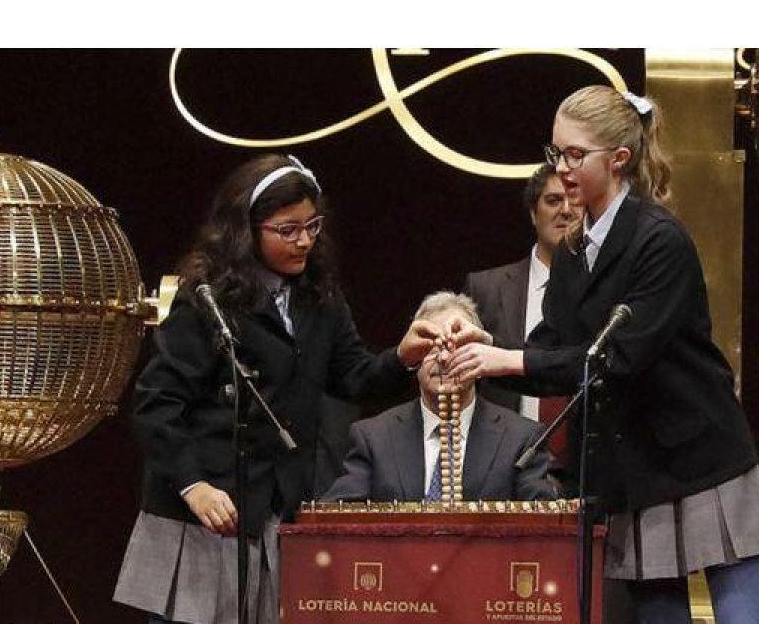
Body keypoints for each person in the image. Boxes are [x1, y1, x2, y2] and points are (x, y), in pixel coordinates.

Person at [444, 86, 759, 624]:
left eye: (576, 155)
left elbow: (618, 358)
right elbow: (551, 349)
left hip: (702, 457)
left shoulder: (659, 240)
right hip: (634, 467)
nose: (563, 168)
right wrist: (492, 350)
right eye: (556, 153)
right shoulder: (574, 248)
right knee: (658, 613)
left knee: (738, 612)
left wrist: (510, 361)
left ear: (619, 159)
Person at [113, 154, 438, 624]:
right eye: (287, 229)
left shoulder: (319, 297)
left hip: (275, 511)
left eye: (313, 226)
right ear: (247, 230)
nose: (305, 240)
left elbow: (354, 378)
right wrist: (194, 485)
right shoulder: (208, 298)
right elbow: (155, 403)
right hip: (205, 513)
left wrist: (403, 356)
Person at [322, 291, 557, 503]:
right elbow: (337, 519)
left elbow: (544, 524)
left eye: (456, 346)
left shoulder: (522, 439)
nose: (444, 358)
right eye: (432, 347)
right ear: (413, 357)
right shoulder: (373, 438)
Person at [463, 163, 577, 416]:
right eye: (553, 200)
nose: (566, 210)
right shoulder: (485, 289)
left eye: (574, 201)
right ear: (534, 214)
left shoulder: (603, 286)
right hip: (505, 449)